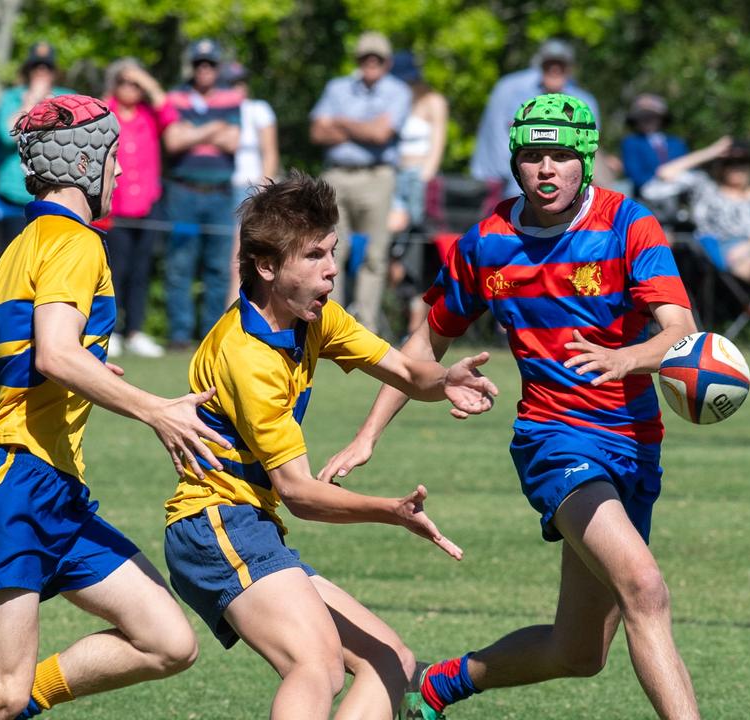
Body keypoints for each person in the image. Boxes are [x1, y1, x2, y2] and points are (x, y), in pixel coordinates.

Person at [321, 94, 702, 720]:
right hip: (556, 442)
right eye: (531, 157)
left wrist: (627, 358)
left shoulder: (629, 224)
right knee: (645, 588)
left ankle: (443, 683)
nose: (546, 170)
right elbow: (423, 344)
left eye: (559, 156)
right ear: (515, 163)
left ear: (584, 160)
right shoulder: (487, 243)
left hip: (636, 442)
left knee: (579, 652)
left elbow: (680, 329)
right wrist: (368, 434)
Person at [161, 172, 498, 720]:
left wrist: (444, 381)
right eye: (314, 255)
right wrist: (390, 511)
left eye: (333, 251)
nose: (332, 269)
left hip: (251, 526)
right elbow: (299, 491)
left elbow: (405, 369)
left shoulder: (310, 318)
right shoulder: (247, 356)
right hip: (215, 524)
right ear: (267, 267)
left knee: (391, 660)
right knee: (314, 666)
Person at [0, 94, 232, 720]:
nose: (122, 173)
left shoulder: (19, 246)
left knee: (168, 641)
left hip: (56, 489)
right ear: (87, 163)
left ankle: (8, 703)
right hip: (16, 481)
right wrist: (155, 408)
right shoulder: (77, 243)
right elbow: (54, 355)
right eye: (115, 158)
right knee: (0, 696)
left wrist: (78, 370)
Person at [642, 137, 750, 357]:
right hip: (720, 251)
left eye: (743, 164)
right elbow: (664, 175)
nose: (737, 169)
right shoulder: (706, 188)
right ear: (721, 166)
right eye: (731, 163)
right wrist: (711, 151)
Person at [310, 32, 412, 334]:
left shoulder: (398, 91)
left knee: (374, 255)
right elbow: (317, 132)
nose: (371, 63)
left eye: (377, 59)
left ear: (387, 62)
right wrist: (365, 128)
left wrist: (340, 123)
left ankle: (364, 327)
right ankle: (330, 323)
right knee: (328, 249)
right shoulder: (337, 87)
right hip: (337, 175)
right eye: (366, 57)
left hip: (377, 176)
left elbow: (382, 135)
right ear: (358, 60)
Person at [162, 39, 244, 350]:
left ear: (217, 67)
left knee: (218, 267)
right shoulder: (176, 97)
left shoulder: (231, 97)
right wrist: (214, 129)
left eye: (209, 64)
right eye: (199, 64)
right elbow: (173, 142)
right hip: (183, 192)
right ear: (192, 66)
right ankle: (179, 335)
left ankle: (212, 334)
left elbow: (233, 141)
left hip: (220, 195)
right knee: (180, 264)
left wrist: (191, 132)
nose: (204, 70)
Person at [102, 57, 178, 358]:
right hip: (116, 207)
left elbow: (170, 113)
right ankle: (113, 329)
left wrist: (146, 80)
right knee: (114, 270)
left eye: (136, 84)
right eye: (125, 82)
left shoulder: (149, 114)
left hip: (147, 205)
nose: (130, 88)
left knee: (140, 271)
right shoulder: (105, 109)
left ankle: (134, 329)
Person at [470, 38, 601, 200]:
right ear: (540, 66)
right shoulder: (521, 96)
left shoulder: (584, 102)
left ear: (569, 68)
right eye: (549, 64)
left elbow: (591, 149)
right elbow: (506, 140)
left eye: (560, 64)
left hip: (569, 191)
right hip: (517, 187)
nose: (554, 69)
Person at [0, 42, 74, 263]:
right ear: (28, 70)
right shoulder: (12, 98)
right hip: (13, 200)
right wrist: (31, 102)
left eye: (46, 67)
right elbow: (7, 134)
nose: (41, 72)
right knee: (9, 264)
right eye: (36, 67)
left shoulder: (67, 98)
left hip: (54, 197)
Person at [386, 50, 449, 337]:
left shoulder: (433, 101)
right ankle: (399, 317)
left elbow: (436, 145)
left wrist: (422, 184)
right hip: (393, 177)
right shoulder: (394, 102)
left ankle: (416, 323)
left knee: (416, 249)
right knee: (392, 249)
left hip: (419, 181)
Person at [224, 61, 280, 305]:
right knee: (223, 259)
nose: (237, 89)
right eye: (230, 84)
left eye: (240, 83)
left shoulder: (258, 109)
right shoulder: (217, 109)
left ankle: (235, 311)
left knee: (240, 258)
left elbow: (270, 151)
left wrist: (263, 193)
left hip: (250, 190)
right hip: (221, 189)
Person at [621, 93, 687, 198]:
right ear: (635, 120)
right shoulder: (631, 143)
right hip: (648, 194)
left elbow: (686, 165)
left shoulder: (676, 142)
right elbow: (635, 175)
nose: (648, 120)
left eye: (652, 116)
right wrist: (661, 177)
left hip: (680, 189)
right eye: (642, 117)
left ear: (661, 118)